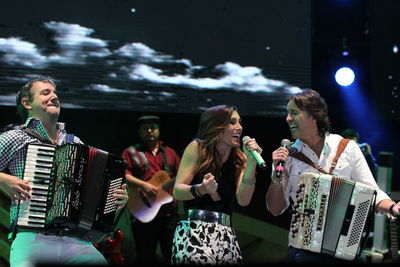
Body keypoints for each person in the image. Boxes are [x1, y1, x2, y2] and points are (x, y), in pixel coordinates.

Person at [0, 76, 128, 267]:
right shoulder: (15, 137)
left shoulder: (74, 143)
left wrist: (115, 200)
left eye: (55, 92)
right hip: (33, 238)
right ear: (27, 103)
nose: (54, 96)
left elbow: (94, 197)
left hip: (76, 241)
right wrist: (2, 179)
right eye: (45, 93)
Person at [266, 89, 400, 264]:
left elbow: (372, 193)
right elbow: (275, 209)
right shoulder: (288, 156)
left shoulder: (347, 148)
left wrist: (392, 207)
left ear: (314, 115)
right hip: (304, 250)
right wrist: (276, 177)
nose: (288, 118)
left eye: (294, 113)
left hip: (346, 247)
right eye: (288, 113)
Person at [171, 104, 262, 265]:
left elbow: (243, 200)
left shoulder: (241, 158)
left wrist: (252, 165)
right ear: (216, 126)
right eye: (232, 122)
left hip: (226, 234)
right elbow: (178, 191)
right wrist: (201, 189)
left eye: (240, 122)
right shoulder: (197, 148)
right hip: (194, 232)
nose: (239, 128)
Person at [120, 115, 181, 265]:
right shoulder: (131, 152)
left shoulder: (170, 153)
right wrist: (144, 185)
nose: (149, 131)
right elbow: (123, 173)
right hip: (142, 213)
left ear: (158, 130)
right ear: (139, 132)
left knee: (172, 256)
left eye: (153, 127)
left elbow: (182, 177)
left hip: (168, 214)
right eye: (145, 128)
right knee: (145, 257)